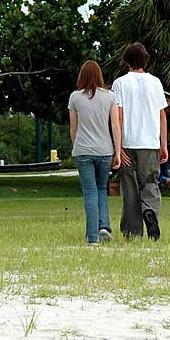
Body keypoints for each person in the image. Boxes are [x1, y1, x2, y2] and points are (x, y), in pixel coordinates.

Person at [111, 43, 168, 240]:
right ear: (145, 60)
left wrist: (118, 149)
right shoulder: (156, 82)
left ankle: (132, 232)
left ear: (127, 60)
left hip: (128, 142)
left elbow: (118, 118)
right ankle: (150, 211)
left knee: (130, 188)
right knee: (150, 183)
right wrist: (164, 144)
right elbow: (162, 116)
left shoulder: (119, 84)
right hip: (150, 142)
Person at [68, 60, 122, 245]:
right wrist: (118, 151)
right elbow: (115, 125)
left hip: (83, 150)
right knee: (101, 190)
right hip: (105, 150)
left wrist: (77, 146)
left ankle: (92, 237)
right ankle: (104, 226)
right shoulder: (110, 97)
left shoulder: (75, 97)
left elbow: (73, 129)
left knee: (89, 192)